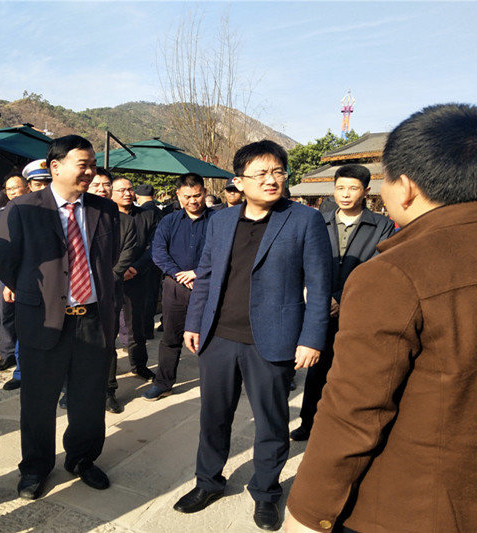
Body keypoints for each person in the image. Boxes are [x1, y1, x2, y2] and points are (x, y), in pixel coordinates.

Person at [285, 104, 477, 533]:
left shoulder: (393, 274)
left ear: (407, 186)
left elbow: (354, 412)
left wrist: (308, 511)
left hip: (407, 505)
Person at [173, 140, 331, 530]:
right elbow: (205, 276)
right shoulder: (221, 220)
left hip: (273, 340)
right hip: (218, 337)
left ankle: (266, 492)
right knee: (213, 418)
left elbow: (319, 285)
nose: (271, 179)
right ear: (239, 181)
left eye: (278, 172)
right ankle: (208, 482)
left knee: (271, 423)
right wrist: (194, 323)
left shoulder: (303, 220)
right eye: (261, 173)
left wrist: (311, 338)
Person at [0, 135, 120, 500]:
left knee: (89, 398)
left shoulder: (104, 209)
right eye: (83, 165)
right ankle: (35, 467)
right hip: (44, 319)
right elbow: (5, 261)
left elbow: (108, 258)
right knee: (38, 400)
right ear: (55, 166)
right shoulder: (24, 208)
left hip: (92, 319)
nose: (90, 172)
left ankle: (82, 458)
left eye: (93, 165)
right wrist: (37, 295)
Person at [290, 164, 395, 441]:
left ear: (366, 191)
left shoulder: (382, 225)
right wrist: (320, 296)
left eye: (353, 188)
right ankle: (308, 422)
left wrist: (341, 297)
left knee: (352, 372)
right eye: (340, 188)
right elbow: (306, 260)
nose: (345, 194)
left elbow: (378, 268)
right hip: (320, 307)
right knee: (317, 370)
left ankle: (342, 427)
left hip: (359, 309)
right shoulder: (318, 221)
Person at [145, 173, 214, 400]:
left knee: (211, 337)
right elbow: (158, 252)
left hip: (208, 286)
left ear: (204, 192)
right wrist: (178, 274)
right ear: (178, 195)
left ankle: (215, 383)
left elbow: (224, 252)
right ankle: (163, 383)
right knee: (170, 337)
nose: (192, 201)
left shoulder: (218, 220)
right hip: (175, 287)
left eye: (197, 195)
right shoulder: (169, 221)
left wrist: (198, 273)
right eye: (187, 196)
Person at [88, 169, 138, 413]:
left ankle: (108, 390)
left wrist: (107, 280)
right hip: (78, 293)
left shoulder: (125, 221)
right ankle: (74, 387)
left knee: (108, 342)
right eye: (96, 184)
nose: (101, 189)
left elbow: (126, 254)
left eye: (106, 184)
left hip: (110, 291)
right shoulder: (76, 216)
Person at [111, 176, 160, 383]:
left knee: (136, 326)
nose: (127, 193)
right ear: (111, 193)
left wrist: (135, 268)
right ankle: (108, 380)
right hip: (109, 279)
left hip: (136, 277)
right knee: (108, 329)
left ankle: (139, 365)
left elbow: (154, 246)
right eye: (121, 190)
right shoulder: (105, 216)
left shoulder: (147, 215)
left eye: (130, 189)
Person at [0, 173, 29, 387]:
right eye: (9, 189)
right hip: (5, 274)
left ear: (27, 188)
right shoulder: (0, 214)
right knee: (6, 314)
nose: (13, 192)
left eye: (16, 188)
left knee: (26, 317)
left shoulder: (36, 210)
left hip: (28, 274)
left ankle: (26, 362)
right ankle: (8, 353)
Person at [133, 182, 163, 339]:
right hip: (158, 260)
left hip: (142, 260)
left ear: (137, 196)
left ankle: (143, 330)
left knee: (142, 297)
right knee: (152, 295)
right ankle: (148, 329)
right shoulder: (161, 212)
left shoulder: (142, 213)